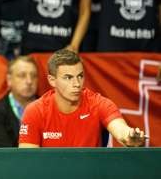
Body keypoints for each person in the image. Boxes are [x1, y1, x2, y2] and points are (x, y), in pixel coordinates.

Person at [18, 49, 147, 147]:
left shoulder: (99, 104)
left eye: (80, 76)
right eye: (68, 77)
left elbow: (120, 130)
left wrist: (129, 137)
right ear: (52, 80)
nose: (77, 84)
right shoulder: (35, 111)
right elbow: (27, 162)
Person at [0, 55, 38, 147]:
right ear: (9, 80)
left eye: (34, 76)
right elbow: (3, 151)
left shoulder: (50, 108)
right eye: (22, 75)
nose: (29, 81)